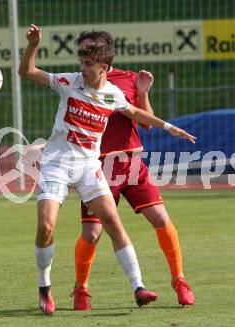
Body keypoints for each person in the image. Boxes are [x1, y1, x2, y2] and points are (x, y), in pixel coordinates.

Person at [18, 24, 196, 316]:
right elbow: (28, 72)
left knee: (114, 223)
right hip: (58, 165)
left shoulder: (114, 92)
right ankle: (45, 286)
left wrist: (169, 126)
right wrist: (33, 45)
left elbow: (135, 112)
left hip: (91, 166)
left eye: (88, 63)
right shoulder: (69, 81)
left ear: (105, 66)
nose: (82, 67)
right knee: (48, 227)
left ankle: (139, 286)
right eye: (81, 61)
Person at [72, 31, 196, 311]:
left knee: (161, 217)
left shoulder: (128, 78)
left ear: (104, 54)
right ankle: (81, 289)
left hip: (131, 162)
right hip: (96, 166)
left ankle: (180, 280)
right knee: (92, 233)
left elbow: (146, 122)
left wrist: (142, 92)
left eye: (88, 50)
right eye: (81, 51)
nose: (82, 57)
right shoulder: (78, 81)